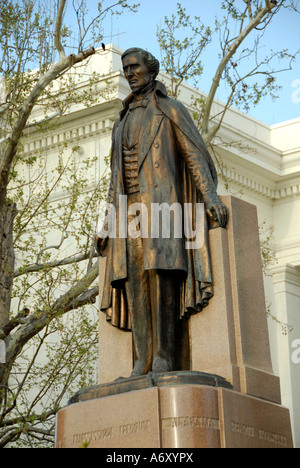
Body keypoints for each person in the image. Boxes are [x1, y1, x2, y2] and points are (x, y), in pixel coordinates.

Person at [96, 47, 228, 377]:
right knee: (135, 283)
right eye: (125, 68)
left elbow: (195, 154)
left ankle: (164, 357)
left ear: (150, 70)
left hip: (163, 206)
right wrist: (106, 224)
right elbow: (114, 180)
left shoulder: (171, 110)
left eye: (135, 67)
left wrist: (210, 195)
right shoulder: (120, 122)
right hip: (128, 214)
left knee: (163, 280)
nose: (129, 73)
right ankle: (142, 361)